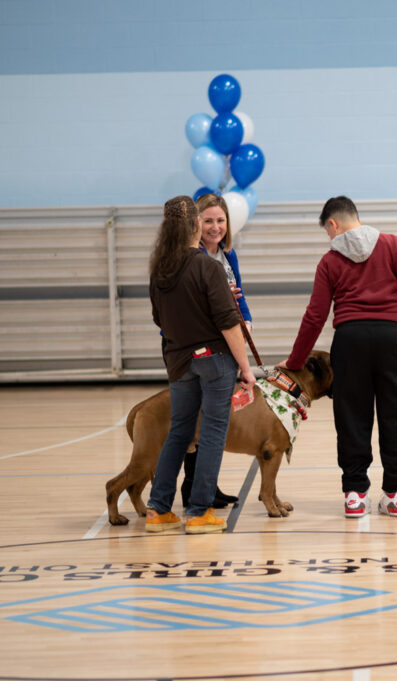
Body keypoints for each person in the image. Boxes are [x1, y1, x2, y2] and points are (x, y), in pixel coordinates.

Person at [277, 196, 397, 519]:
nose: (330, 238)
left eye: (327, 232)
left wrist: (296, 361)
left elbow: (315, 317)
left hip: (350, 341)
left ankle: (354, 494)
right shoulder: (392, 244)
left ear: (333, 225)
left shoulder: (329, 261)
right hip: (394, 339)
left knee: (352, 417)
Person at [144, 196, 256, 535]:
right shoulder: (206, 267)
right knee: (211, 434)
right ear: (196, 225)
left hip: (179, 362)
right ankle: (198, 511)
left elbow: (157, 319)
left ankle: (158, 509)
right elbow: (228, 323)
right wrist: (246, 368)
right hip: (214, 361)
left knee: (179, 432)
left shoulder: (160, 270)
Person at [177, 193, 251, 510]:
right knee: (198, 423)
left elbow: (239, 294)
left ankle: (207, 486)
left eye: (220, 220)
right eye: (208, 220)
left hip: (228, 344)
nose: (215, 227)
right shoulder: (189, 258)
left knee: (215, 420)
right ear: (196, 223)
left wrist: (246, 323)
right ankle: (193, 490)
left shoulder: (227, 254)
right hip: (201, 350)